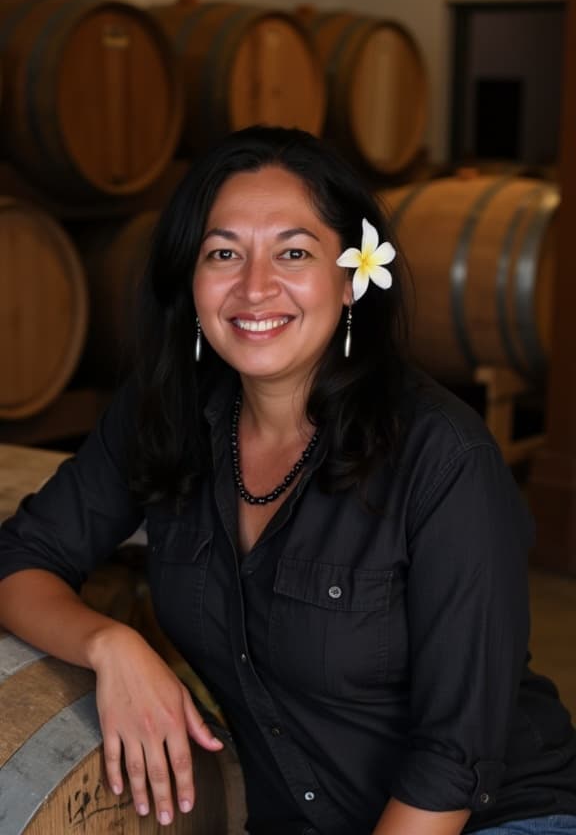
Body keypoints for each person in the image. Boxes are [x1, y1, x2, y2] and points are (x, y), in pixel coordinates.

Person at [0, 126, 575, 835]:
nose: (254, 286)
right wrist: (110, 644)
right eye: (223, 253)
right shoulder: (167, 413)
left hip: (489, 821)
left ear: (353, 276)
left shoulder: (445, 458)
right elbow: (21, 558)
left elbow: (454, 759)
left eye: (293, 252)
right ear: (191, 279)